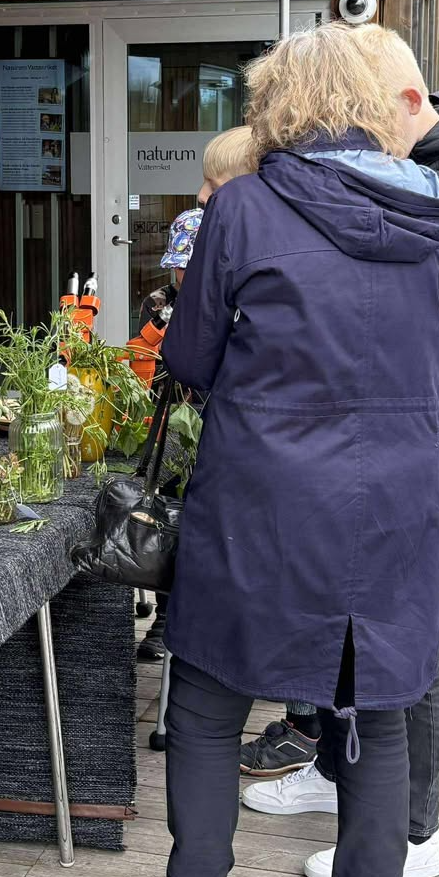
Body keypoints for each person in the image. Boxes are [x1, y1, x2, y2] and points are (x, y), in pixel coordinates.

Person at [113, 23, 439, 877]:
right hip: (396, 496)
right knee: (374, 713)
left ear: (277, 103)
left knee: (203, 707)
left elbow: (187, 358)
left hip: (262, 494)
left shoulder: (243, 209)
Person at [238, 75, 439, 877]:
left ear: (395, 98)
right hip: (377, 428)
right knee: (349, 620)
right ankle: (338, 771)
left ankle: (411, 830)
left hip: (419, 433)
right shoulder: (412, 164)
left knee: (404, 638)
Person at [137, 125, 257, 664]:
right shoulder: (161, 303)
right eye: (178, 265)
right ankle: (166, 614)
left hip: (226, 431)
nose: (184, 273)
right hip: (175, 426)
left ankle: (190, 622)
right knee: (167, 505)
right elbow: (158, 368)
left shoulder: (245, 280)